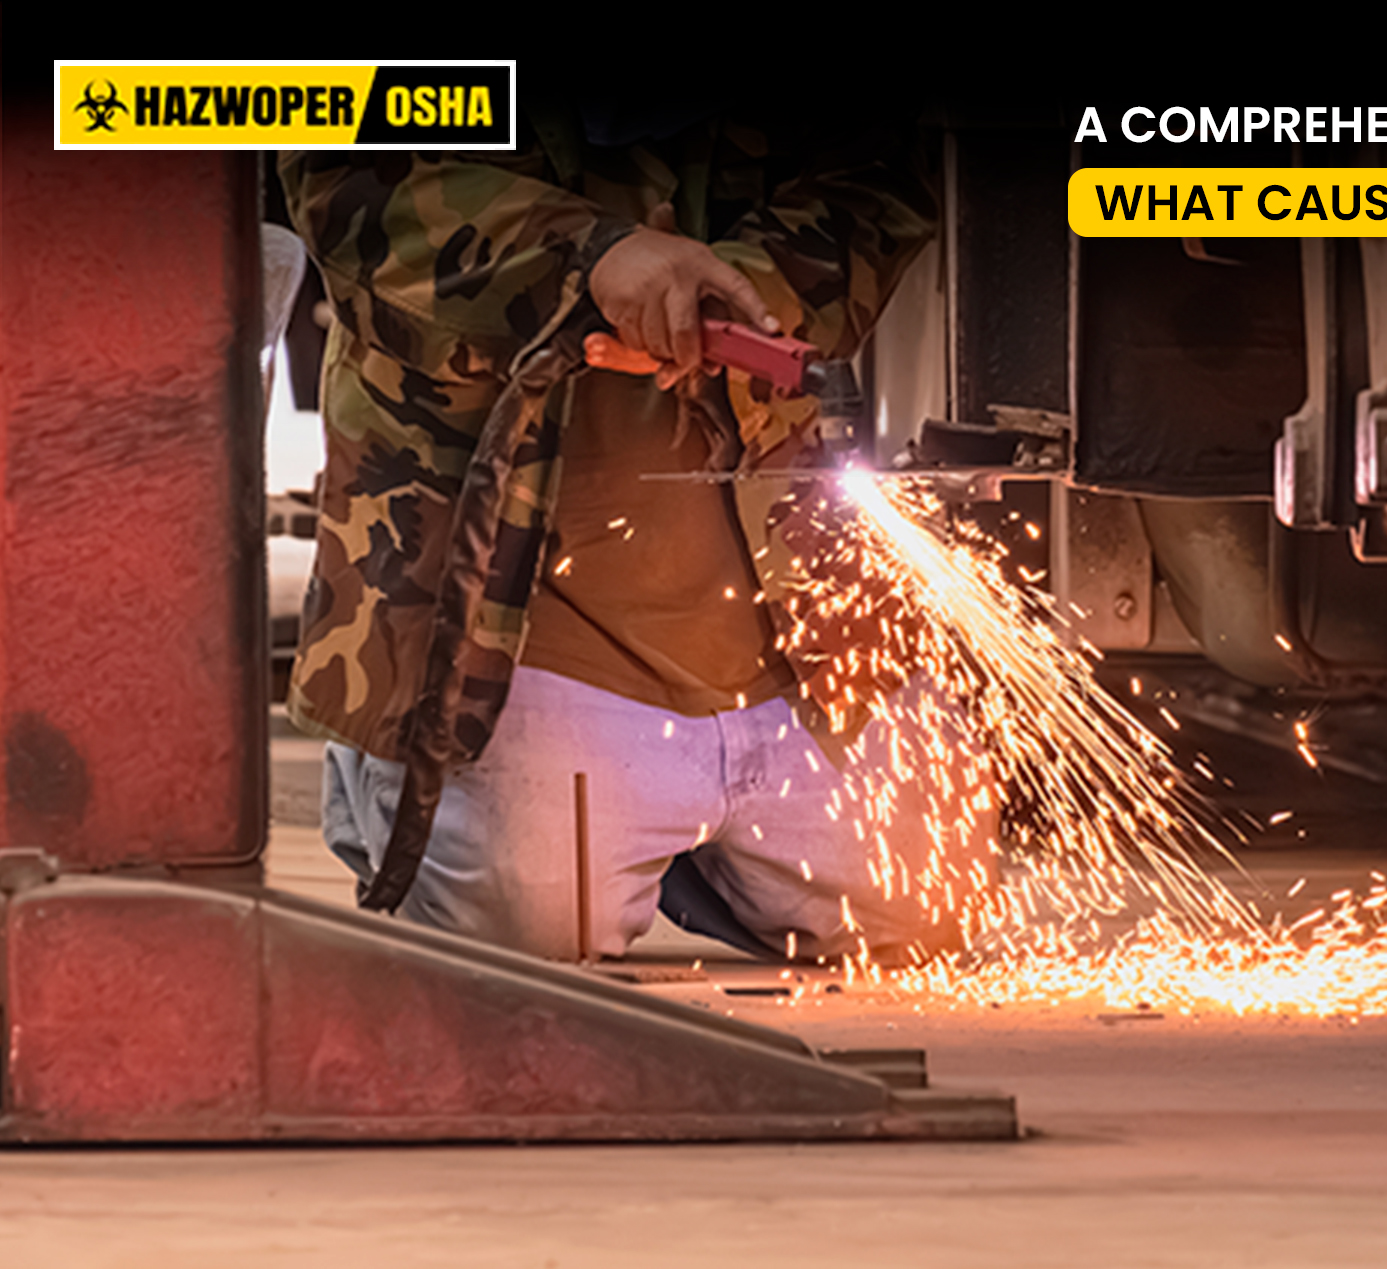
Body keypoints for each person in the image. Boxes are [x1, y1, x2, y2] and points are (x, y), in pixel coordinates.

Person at [279, 102, 985, 966]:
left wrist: (749, 285)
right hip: (513, 623)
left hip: (793, 606)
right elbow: (343, 178)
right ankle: (401, 774)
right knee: (528, 935)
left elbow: (882, 168)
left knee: (925, 911)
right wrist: (590, 258)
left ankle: (696, 835)